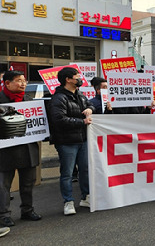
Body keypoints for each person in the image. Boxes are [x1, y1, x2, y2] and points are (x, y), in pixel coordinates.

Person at [49, 67, 94, 215]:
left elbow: (90, 105)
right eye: (77, 76)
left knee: (85, 170)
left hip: (83, 139)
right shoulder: (59, 98)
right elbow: (58, 119)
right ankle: (68, 202)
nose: (80, 79)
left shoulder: (80, 95)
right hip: (66, 141)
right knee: (67, 173)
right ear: (68, 79)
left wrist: (90, 110)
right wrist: (82, 122)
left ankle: (85, 197)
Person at [0, 71, 42, 227]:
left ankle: (27, 210)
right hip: (4, 149)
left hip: (27, 148)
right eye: (18, 81)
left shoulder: (29, 100)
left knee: (28, 182)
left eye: (24, 80)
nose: (23, 83)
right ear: (7, 83)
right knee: (3, 185)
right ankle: (3, 214)